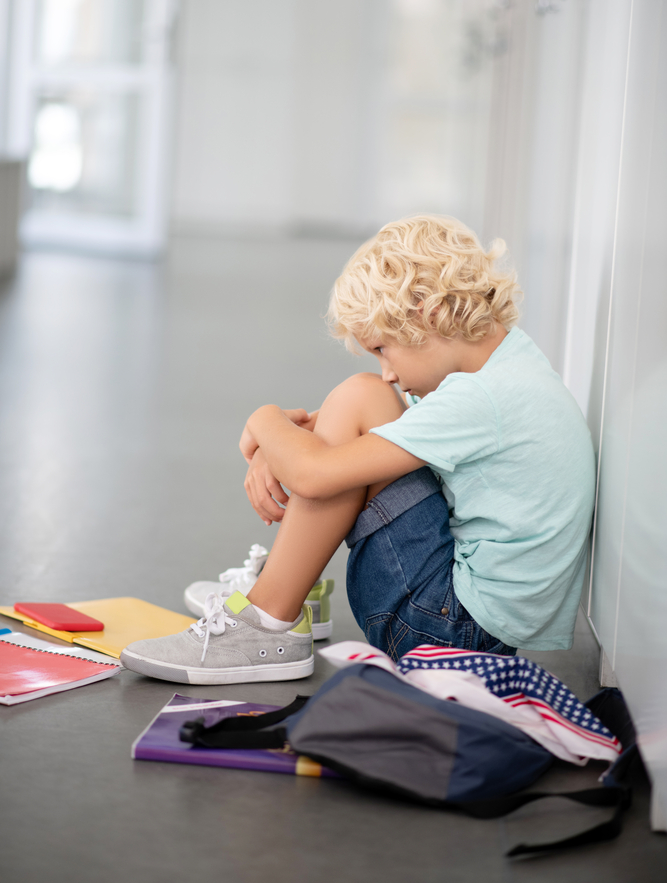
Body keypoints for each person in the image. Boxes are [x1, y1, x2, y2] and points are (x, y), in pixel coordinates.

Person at [120, 216, 596, 684]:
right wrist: (293, 441)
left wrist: (263, 420)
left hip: (445, 635)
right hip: (466, 628)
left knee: (362, 395)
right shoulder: (510, 369)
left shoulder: (480, 400)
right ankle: (291, 589)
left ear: (425, 312)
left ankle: (265, 622)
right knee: (361, 400)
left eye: (383, 348)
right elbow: (350, 442)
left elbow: (312, 474)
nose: (388, 370)